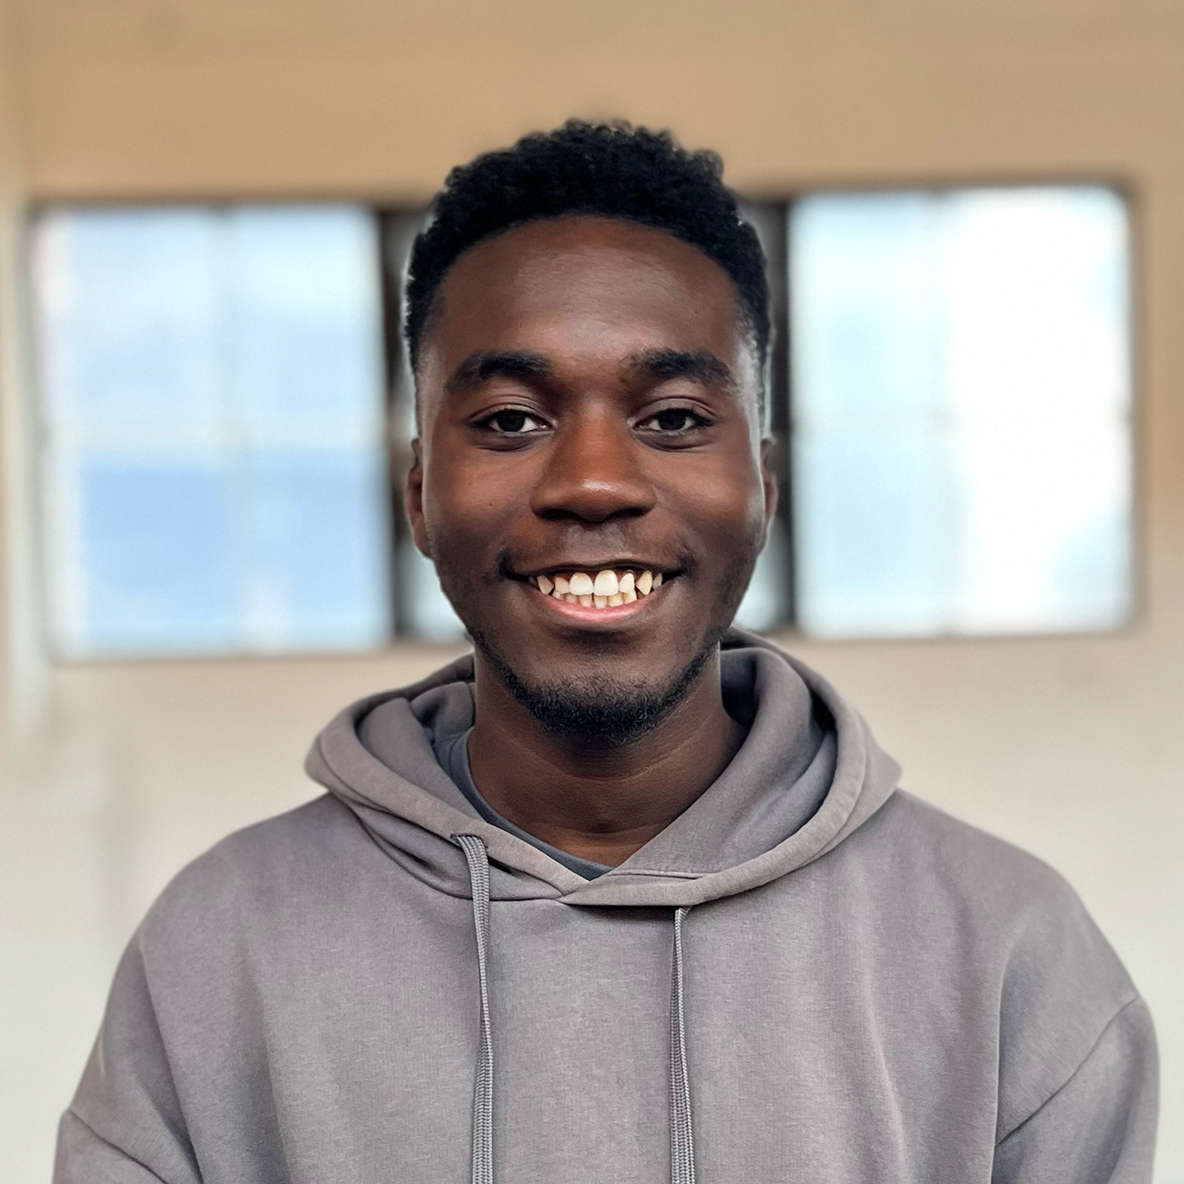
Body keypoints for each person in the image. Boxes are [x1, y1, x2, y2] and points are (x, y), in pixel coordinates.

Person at [55, 120, 1157, 1184]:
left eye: (672, 417)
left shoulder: (1008, 952)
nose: (591, 481)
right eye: (509, 420)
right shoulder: (218, 949)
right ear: (417, 494)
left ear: (764, 487)